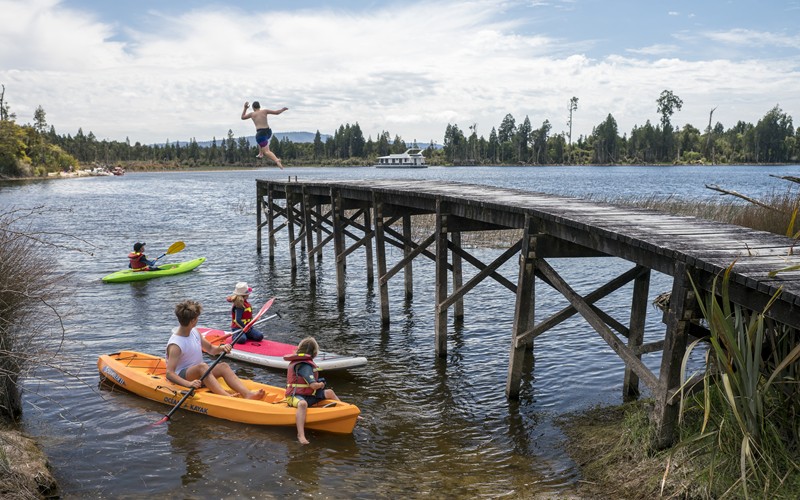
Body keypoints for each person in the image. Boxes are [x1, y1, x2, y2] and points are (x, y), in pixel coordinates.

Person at [165, 299, 265, 400]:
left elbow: (210, 349)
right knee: (202, 367)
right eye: (197, 318)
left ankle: (247, 394)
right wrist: (188, 384)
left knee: (223, 366)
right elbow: (169, 373)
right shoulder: (176, 345)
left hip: (199, 373)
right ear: (193, 321)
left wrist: (221, 348)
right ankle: (227, 397)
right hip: (182, 377)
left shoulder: (195, 332)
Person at [284, 337, 340, 444]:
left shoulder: (304, 363)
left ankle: (347, 409)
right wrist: (321, 384)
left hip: (308, 395)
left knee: (330, 393)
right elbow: (313, 386)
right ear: (314, 353)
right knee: (303, 404)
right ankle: (301, 435)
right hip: (294, 397)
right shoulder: (304, 365)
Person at [241, 101, 288, 169]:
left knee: (266, 151)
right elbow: (277, 112)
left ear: (253, 108)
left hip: (260, 133)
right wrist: (283, 109)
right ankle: (260, 153)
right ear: (259, 106)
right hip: (268, 132)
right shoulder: (265, 111)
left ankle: (277, 160)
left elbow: (242, 117)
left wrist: (245, 108)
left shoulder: (252, 114)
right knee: (260, 142)